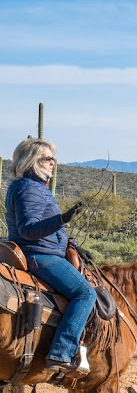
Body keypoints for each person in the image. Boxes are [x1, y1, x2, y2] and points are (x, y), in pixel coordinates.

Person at [6, 137, 96, 375]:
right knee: (85, 293)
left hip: (46, 250)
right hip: (40, 256)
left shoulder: (35, 187)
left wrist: (72, 243)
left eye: (53, 158)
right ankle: (61, 353)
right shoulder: (28, 189)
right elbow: (29, 229)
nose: (53, 163)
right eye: (48, 158)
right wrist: (62, 219)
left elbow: (49, 229)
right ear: (32, 160)